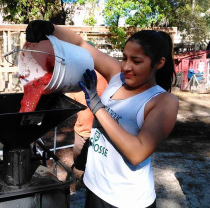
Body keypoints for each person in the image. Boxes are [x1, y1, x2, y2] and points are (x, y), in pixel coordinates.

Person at [26, 20, 179, 208]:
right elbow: (81, 44)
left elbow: (137, 152)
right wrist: (50, 29)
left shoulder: (163, 102)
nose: (126, 67)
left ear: (159, 63)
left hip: (127, 200)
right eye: (124, 58)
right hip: (95, 187)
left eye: (137, 61)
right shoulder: (117, 76)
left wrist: (97, 106)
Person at [67, 69, 107, 172]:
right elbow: (70, 101)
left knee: (98, 166)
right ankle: (80, 183)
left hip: (101, 133)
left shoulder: (107, 76)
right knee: (79, 165)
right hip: (81, 132)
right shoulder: (76, 78)